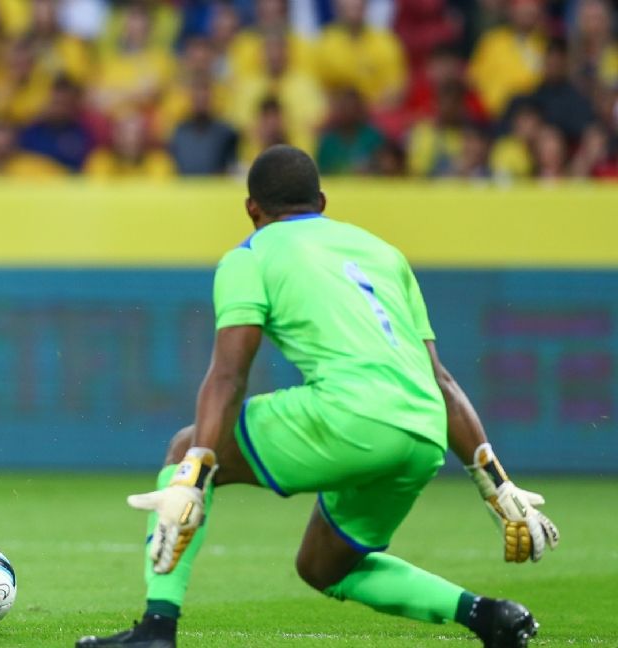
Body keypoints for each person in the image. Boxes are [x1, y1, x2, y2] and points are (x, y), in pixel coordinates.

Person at [76, 145, 560, 648]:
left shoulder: (250, 256)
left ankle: (157, 629)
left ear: (251, 209)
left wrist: (195, 470)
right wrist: (495, 483)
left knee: (184, 448)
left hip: (350, 417)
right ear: (322, 202)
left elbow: (228, 376)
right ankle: (489, 616)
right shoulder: (383, 254)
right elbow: (442, 381)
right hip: (423, 433)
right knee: (324, 565)